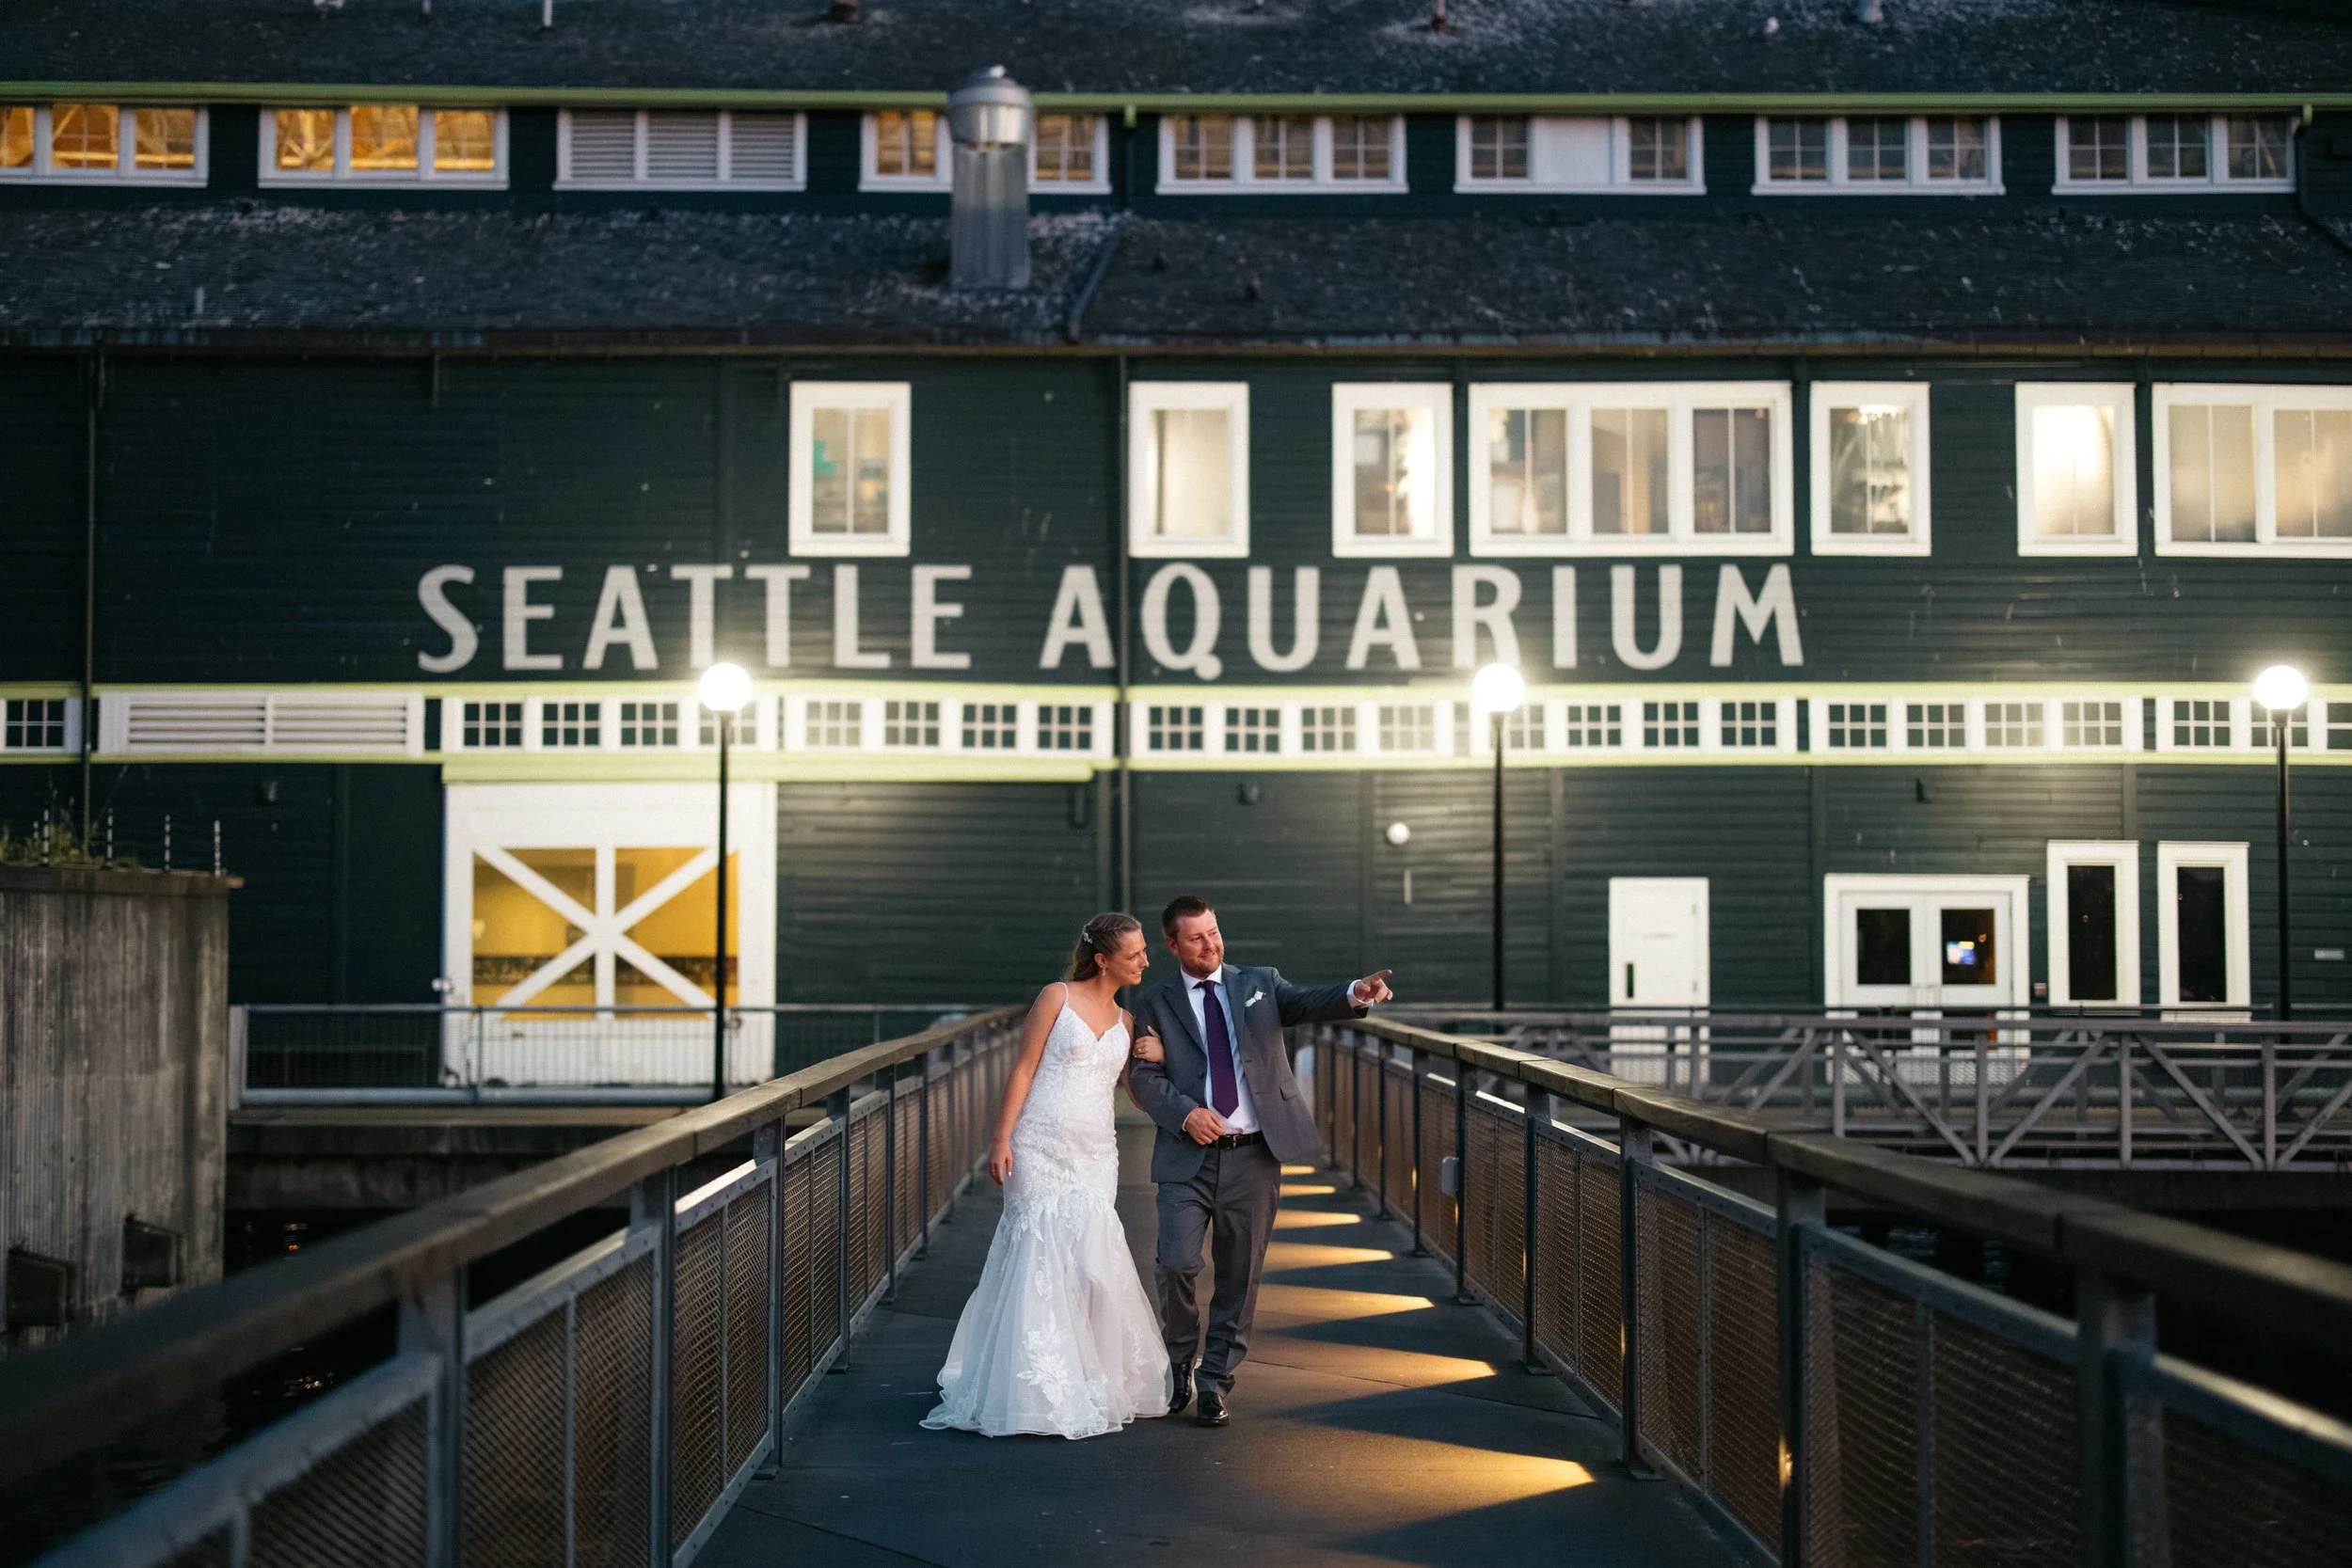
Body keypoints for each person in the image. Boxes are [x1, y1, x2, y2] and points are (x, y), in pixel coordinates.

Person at [1125, 895, 1393, 1427]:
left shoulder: (1260, 984)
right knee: (1175, 1263)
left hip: (1255, 1155)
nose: (1211, 944)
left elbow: (1309, 1002)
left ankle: (1215, 1382)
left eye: (1215, 931)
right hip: (1187, 1157)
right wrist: (1186, 1114)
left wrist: (1353, 993)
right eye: (1197, 937)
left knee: (1239, 1275)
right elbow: (1141, 1077)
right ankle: (1180, 1360)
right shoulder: (1154, 1003)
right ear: (1173, 944)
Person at [920, 911, 1174, 1439]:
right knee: (1037, 1250)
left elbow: (1132, 1090)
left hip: (1096, 1153)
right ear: (1103, 959)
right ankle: (1031, 1389)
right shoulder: (1055, 997)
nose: (1146, 961)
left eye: (1145, 950)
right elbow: (1024, 1067)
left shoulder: (1128, 1023)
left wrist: (1162, 1058)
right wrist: (1000, 1138)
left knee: (1090, 1259)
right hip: (1037, 1145)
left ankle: (1088, 1375)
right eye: (1135, 954)